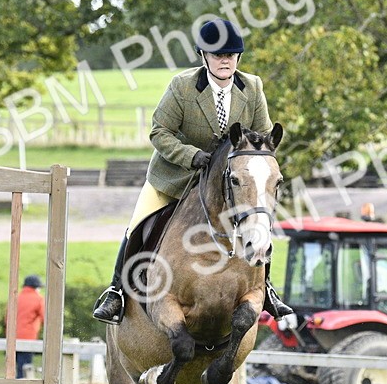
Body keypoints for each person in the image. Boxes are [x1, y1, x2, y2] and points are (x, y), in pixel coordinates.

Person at [92, 18, 293, 324]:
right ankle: (116, 291)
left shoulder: (252, 87)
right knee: (138, 224)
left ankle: (266, 289)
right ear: (204, 56)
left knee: (258, 220)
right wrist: (192, 156)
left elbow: (262, 136)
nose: (224, 60)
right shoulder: (183, 86)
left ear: (238, 57)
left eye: (230, 55)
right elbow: (159, 132)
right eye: (217, 55)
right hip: (176, 176)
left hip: (228, 182)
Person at [16, 275, 45, 378]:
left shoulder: (16, 297)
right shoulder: (38, 299)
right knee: (25, 367)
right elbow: (45, 318)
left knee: (17, 366)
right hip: (28, 337)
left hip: (12, 337)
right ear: (36, 287)